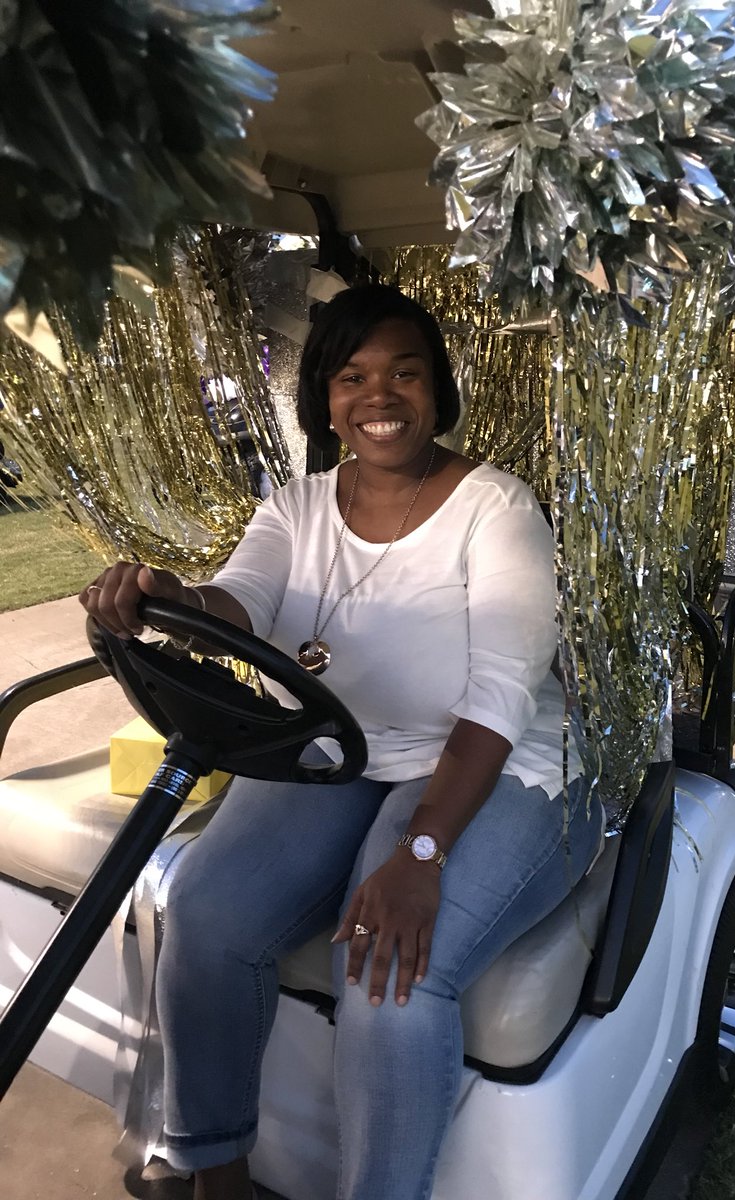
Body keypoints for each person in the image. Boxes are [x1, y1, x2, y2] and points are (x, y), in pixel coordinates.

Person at [81, 284, 603, 1200]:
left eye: (404, 372)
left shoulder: (498, 509)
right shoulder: (295, 507)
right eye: (353, 375)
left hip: (495, 764)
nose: (380, 396)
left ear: (437, 388)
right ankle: (215, 1170)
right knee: (201, 907)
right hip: (341, 757)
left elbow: (500, 696)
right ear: (323, 398)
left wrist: (423, 850)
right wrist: (173, 595)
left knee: (389, 973)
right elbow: (238, 599)